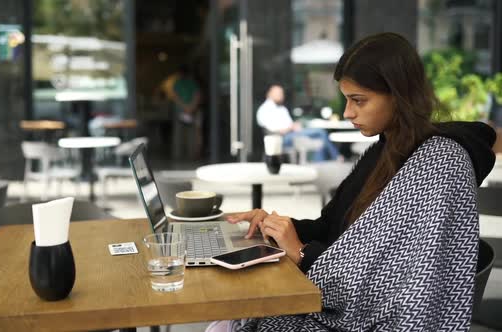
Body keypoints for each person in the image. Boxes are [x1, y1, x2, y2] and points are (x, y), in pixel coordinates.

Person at [208, 32, 496, 331]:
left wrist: (302, 252)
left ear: (399, 94)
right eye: (346, 99)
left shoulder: (438, 164)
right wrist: (277, 226)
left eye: (358, 100)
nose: (348, 113)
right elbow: (333, 228)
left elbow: (393, 288)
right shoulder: (384, 149)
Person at [256, 85, 340, 161]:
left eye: (282, 93)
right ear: (270, 94)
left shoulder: (282, 108)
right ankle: (336, 156)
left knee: (319, 139)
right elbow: (271, 131)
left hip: (292, 133)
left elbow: (289, 124)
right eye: (279, 93)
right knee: (320, 132)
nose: (281, 95)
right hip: (281, 138)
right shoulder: (265, 109)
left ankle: (320, 163)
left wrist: (294, 125)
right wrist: (290, 128)